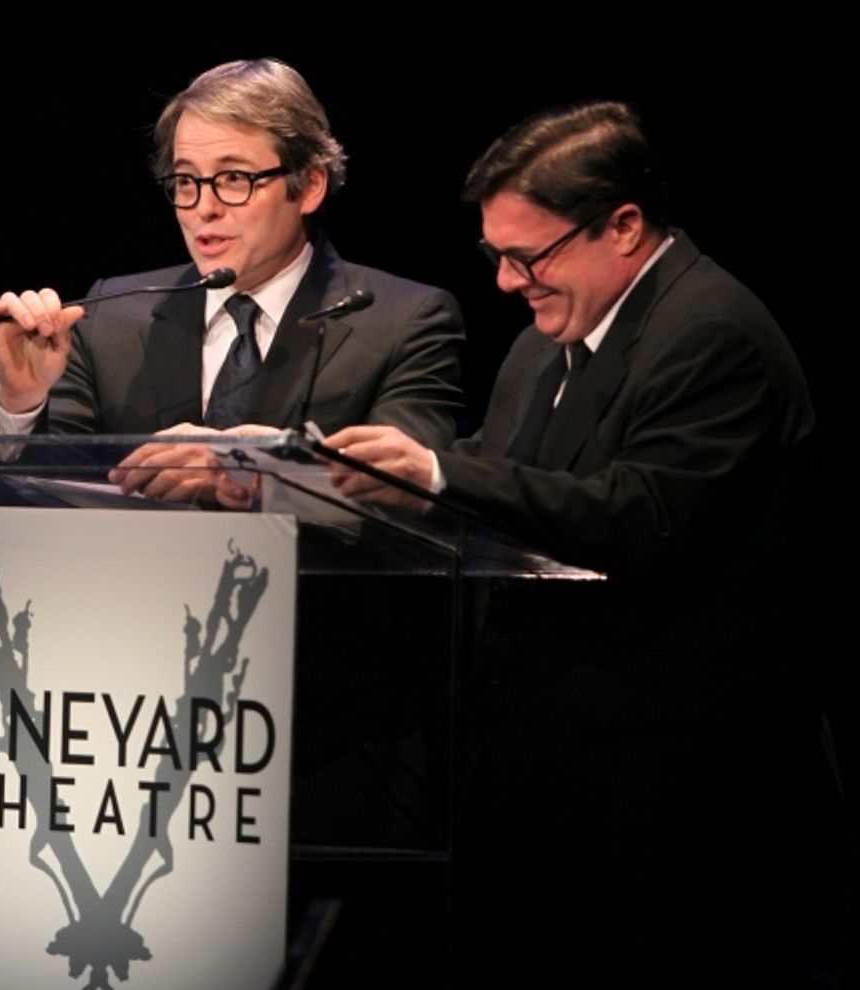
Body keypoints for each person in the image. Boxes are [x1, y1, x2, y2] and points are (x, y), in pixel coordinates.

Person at [326, 102, 850, 986]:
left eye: (528, 256)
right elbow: (503, 486)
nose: (506, 282)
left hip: (682, 796)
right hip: (548, 778)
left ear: (625, 227)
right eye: (496, 256)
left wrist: (439, 474)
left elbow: (637, 517)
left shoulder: (711, 332)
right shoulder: (545, 344)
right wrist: (327, 487)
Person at [0, 58, 463, 504]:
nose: (203, 208)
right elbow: (37, 498)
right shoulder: (109, 317)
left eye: (234, 178)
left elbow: (408, 494)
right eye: (186, 181)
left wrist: (247, 473)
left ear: (310, 185)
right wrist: (21, 404)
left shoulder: (403, 321)